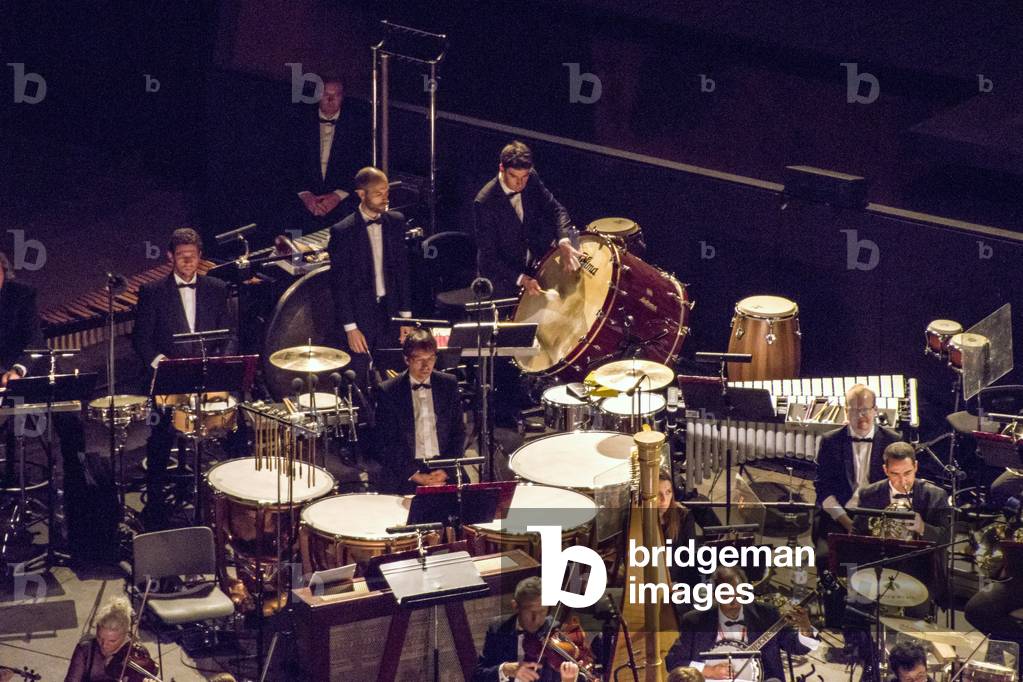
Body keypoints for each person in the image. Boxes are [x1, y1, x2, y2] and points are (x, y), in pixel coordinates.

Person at [132, 228, 235, 530]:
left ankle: (225, 500)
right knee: (161, 436)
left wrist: (219, 362)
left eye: (192, 255)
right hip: (169, 378)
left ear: (200, 256)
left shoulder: (217, 288)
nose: (188, 260)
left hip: (207, 376)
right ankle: (156, 504)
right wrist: (161, 364)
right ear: (170, 257)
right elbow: (141, 340)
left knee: (233, 430)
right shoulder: (152, 292)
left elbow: (230, 335)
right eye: (181, 255)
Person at [327, 166, 412, 385]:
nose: (385, 198)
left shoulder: (396, 221)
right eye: (378, 193)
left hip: (390, 311)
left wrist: (406, 317)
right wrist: (351, 327)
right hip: (360, 316)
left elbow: (402, 273)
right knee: (360, 379)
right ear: (361, 194)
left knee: (394, 377)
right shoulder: (343, 231)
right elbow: (340, 285)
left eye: (386, 192)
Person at [664, 567, 818, 681]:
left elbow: (797, 647)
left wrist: (805, 627)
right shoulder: (695, 621)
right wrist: (709, 670)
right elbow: (673, 661)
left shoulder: (766, 615)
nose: (734, 602)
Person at [473, 140, 582, 298]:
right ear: (501, 168)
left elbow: (557, 209)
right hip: (502, 279)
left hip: (530, 265)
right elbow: (490, 256)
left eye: (524, 176)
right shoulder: (484, 202)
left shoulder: (531, 178)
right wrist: (522, 279)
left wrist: (564, 241)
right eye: (514, 176)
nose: (520, 183)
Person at [373, 328, 465, 493]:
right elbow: (385, 442)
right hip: (406, 468)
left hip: (443, 465)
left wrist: (445, 470)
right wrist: (414, 475)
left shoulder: (448, 384)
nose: (426, 366)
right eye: (419, 360)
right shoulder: (389, 390)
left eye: (430, 359)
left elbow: (458, 433)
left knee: (473, 507)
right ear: (406, 360)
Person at [814, 384, 901, 549]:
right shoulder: (830, 441)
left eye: (865, 410)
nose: (861, 416)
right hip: (841, 514)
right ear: (846, 411)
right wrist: (848, 524)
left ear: (875, 410)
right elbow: (823, 489)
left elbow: (898, 486)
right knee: (827, 559)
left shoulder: (893, 441)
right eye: (854, 410)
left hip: (877, 515)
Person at [289, 76, 369, 233]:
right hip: (305, 198)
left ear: (342, 97)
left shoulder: (358, 126)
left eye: (336, 95)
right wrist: (306, 196)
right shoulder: (299, 122)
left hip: (343, 200)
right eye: (326, 94)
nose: (331, 99)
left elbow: (363, 167)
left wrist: (337, 196)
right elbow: (289, 164)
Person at [472, 576, 579, 682]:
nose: (536, 619)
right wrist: (505, 669)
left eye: (542, 611)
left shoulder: (554, 631)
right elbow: (478, 676)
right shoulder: (499, 628)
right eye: (530, 611)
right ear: (515, 606)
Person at [849, 442, 951, 541]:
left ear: (915, 466)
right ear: (886, 470)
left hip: (920, 557)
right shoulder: (869, 493)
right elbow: (856, 535)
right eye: (895, 474)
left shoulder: (936, 495)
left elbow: (946, 539)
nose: (902, 481)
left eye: (907, 473)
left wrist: (922, 527)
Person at [64, 596, 154, 682]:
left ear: (125, 635)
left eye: (112, 641)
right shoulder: (85, 650)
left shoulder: (136, 654)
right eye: (100, 637)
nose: (104, 645)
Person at [658, 468, 700, 587]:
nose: (664, 500)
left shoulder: (684, 516)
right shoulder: (635, 518)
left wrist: (675, 583)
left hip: (678, 579)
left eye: (668, 492)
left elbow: (690, 556)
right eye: (658, 494)